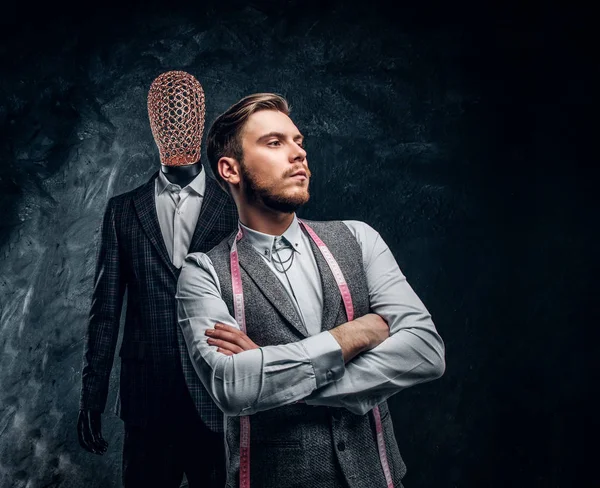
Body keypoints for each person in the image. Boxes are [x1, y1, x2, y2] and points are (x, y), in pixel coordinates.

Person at [176, 93, 445, 488]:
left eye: (298, 142)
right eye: (274, 143)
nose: (299, 154)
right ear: (230, 169)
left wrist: (276, 375)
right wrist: (357, 333)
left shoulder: (359, 238)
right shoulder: (202, 274)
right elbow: (232, 387)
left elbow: (426, 351)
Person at [77, 71, 237, 487]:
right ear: (152, 123)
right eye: (163, 112)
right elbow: (105, 313)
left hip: (218, 398)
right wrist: (92, 397)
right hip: (147, 403)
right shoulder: (124, 211)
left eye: (181, 111)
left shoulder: (233, 210)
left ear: (198, 119)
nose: (173, 118)